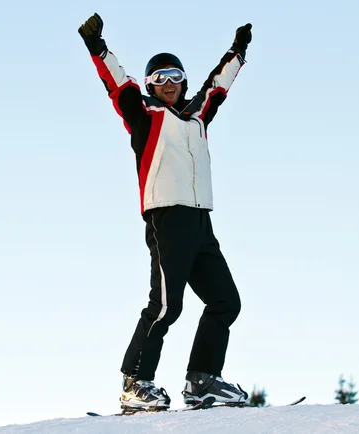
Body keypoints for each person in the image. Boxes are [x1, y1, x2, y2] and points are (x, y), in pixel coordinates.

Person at [78, 13, 253, 413]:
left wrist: (238, 52)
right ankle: (135, 383)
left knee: (226, 301)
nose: (168, 84)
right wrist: (98, 47)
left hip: (200, 222)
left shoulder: (196, 117)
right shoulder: (144, 115)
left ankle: (203, 380)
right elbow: (118, 85)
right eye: (159, 79)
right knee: (165, 306)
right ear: (151, 87)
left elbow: (217, 87)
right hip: (166, 220)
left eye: (175, 77)